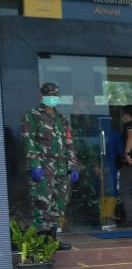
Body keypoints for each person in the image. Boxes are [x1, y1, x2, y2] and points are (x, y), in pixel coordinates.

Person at [22, 82, 79, 250]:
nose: (51, 98)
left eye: (54, 95)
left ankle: (52, 240)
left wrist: (73, 166)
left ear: (58, 98)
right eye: (48, 95)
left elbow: (69, 143)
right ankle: (41, 241)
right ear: (41, 97)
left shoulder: (62, 119)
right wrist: (34, 165)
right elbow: (29, 141)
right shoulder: (32, 116)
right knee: (41, 204)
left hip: (61, 169)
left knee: (59, 203)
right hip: (43, 169)